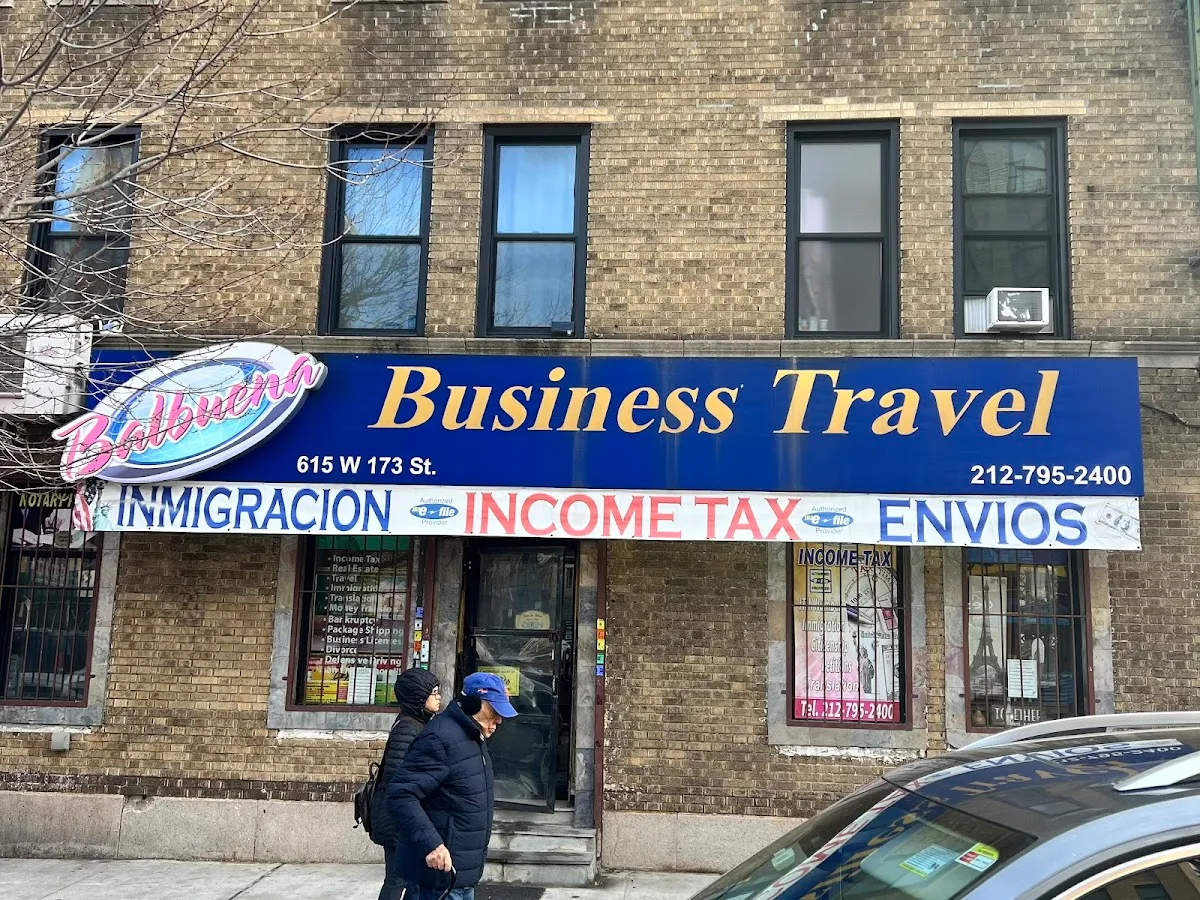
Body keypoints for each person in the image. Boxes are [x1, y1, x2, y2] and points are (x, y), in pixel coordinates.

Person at [386, 672, 518, 900]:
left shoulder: (473, 738)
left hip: (460, 876)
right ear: (474, 704)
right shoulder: (440, 738)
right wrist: (432, 845)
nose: (499, 720)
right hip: (437, 880)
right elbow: (401, 794)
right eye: (494, 712)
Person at [374, 667, 441, 900]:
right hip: (397, 821)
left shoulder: (416, 723)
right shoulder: (408, 728)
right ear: (418, 697)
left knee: (408, 880)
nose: (439, 697)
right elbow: (399, 781)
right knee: (397, 880)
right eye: (433, 693)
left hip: (402, 819)